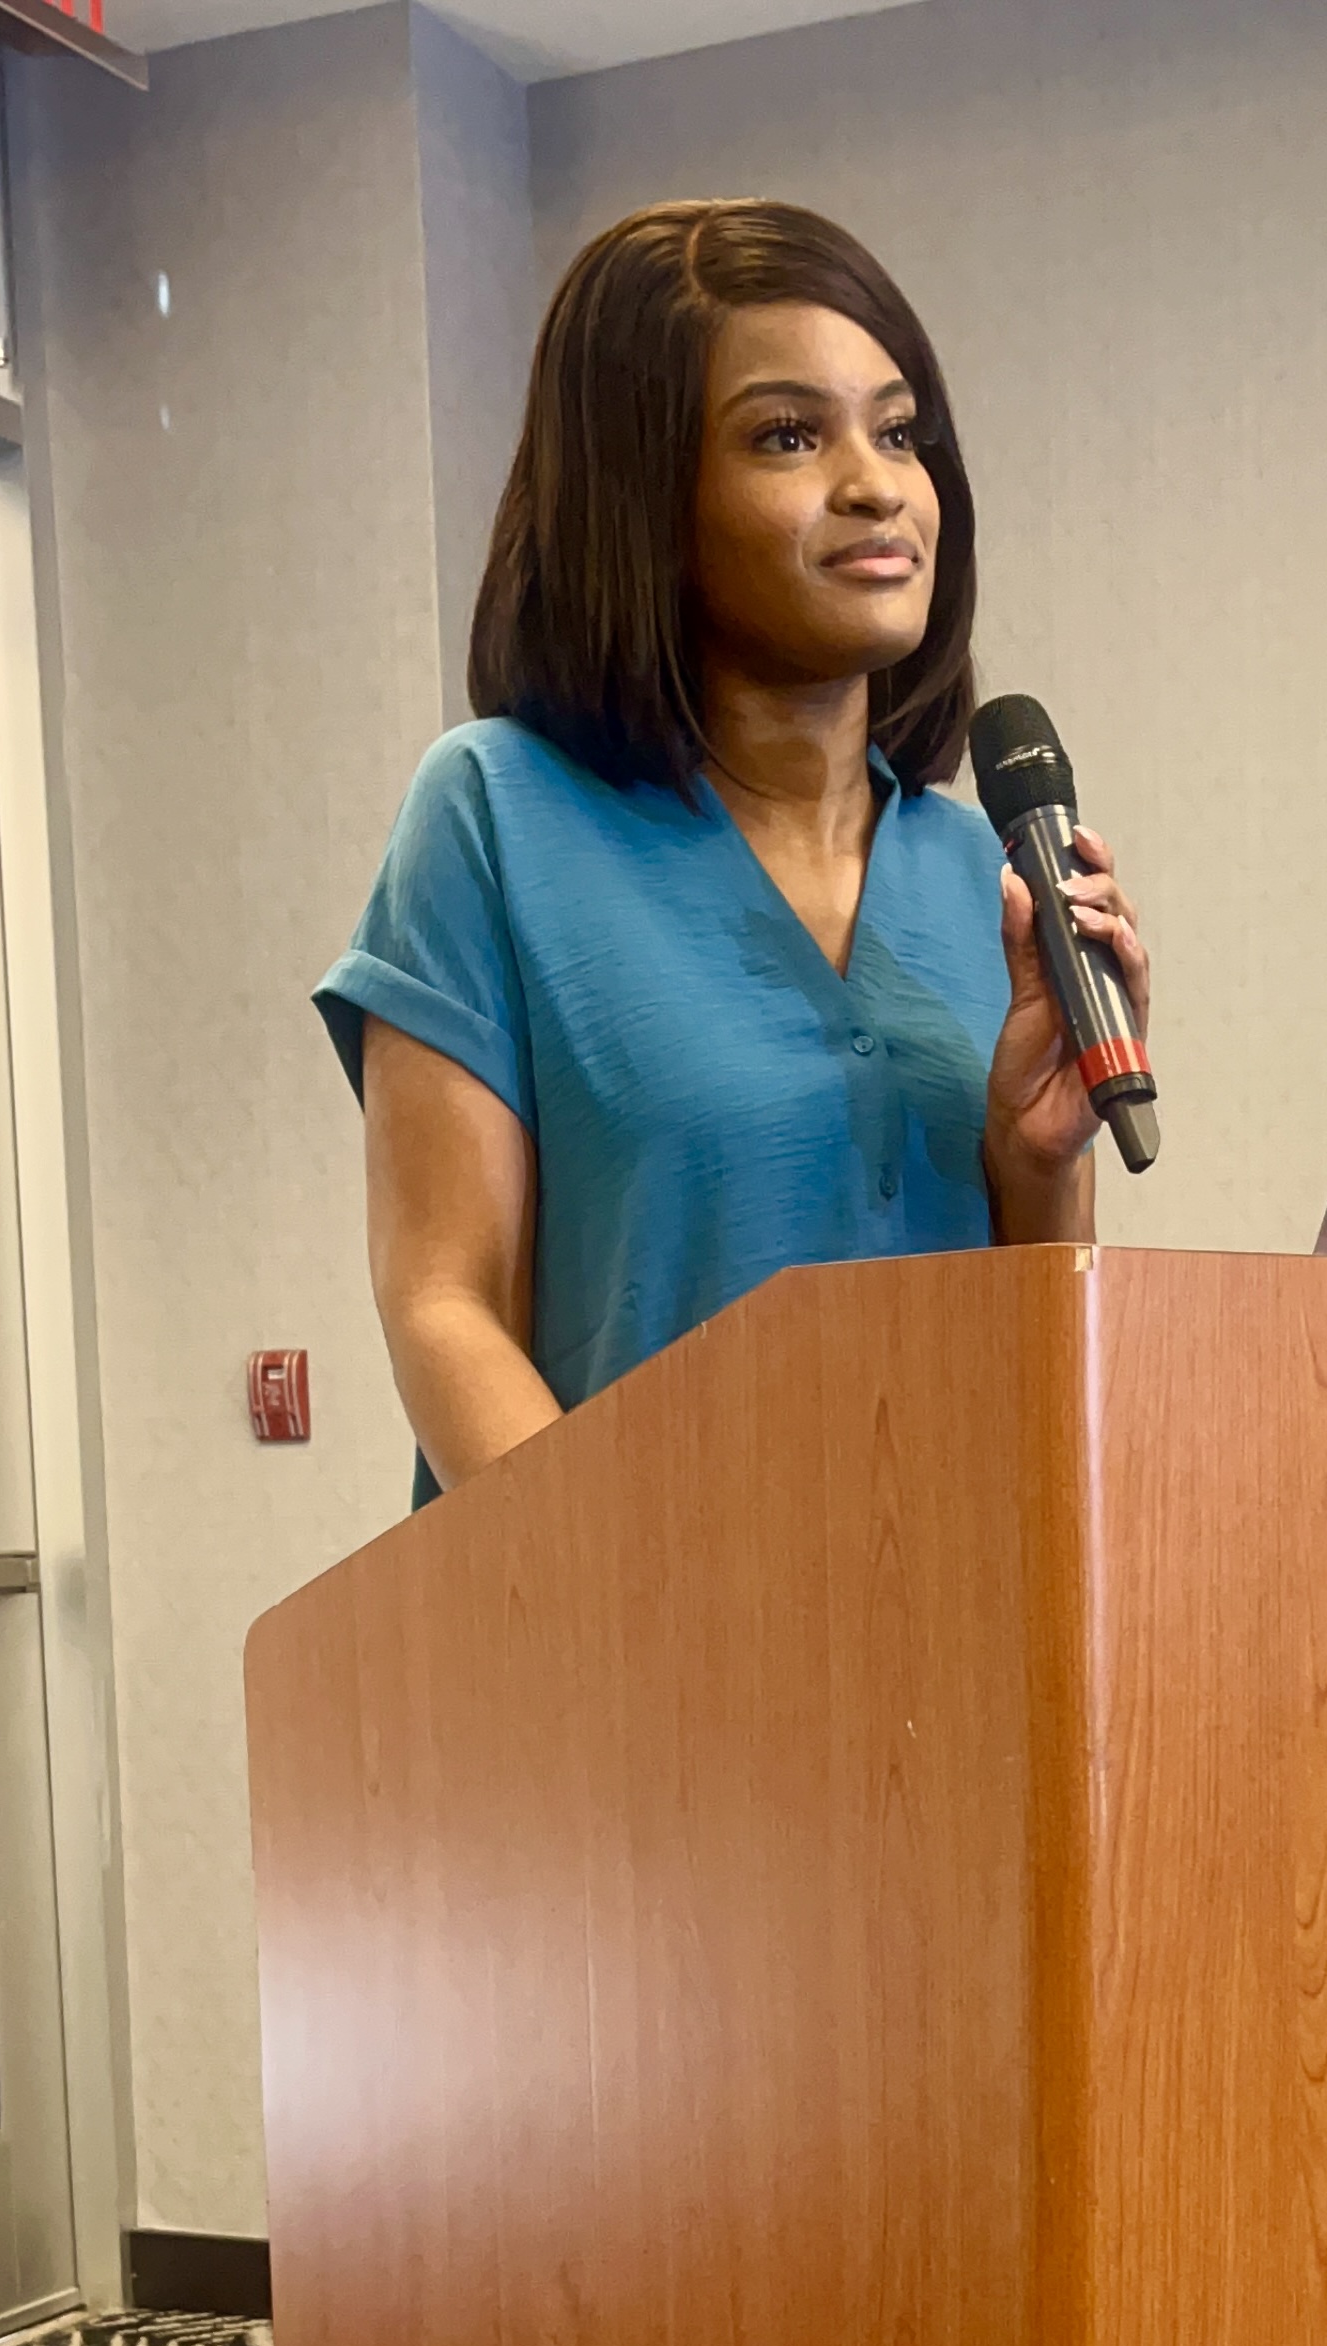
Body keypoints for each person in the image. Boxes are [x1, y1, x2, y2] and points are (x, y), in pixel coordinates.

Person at [315, 197, 1150, 1499]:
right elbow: (443, 1303)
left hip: (950, 1597)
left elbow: (1033, 1356)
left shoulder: (980, 873)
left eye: (897, 431)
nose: (875, 484)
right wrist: (627, 1592)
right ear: (644, 499)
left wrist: (1039, 1161)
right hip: (605, 1609)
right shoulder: (493, 815)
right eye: (788, 436)